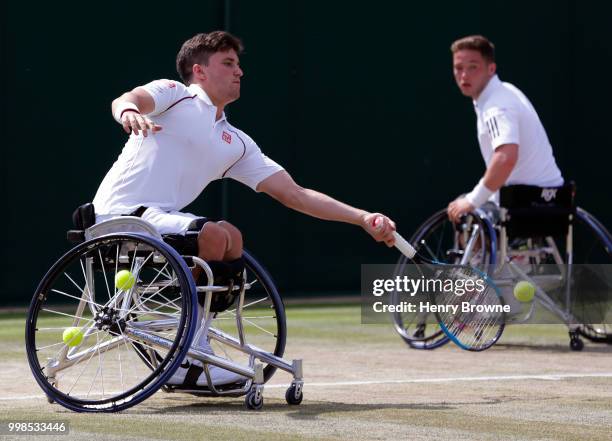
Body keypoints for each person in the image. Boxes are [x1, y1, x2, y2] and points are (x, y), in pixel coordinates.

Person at [92, 31, 396, 387]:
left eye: (238, 64)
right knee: (212, 233)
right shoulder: (174, 95)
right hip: (116, 215)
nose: (239, 71)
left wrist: (361, 218)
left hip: (160, 221)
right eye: (228, 63)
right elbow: (126, 99)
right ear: (199, 71)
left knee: (231, 238)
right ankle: (186, 355)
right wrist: (129, 111)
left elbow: (295, 194)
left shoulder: (235, 142)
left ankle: (190, 340)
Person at [446, 35, 563, 223]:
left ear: (491, 69)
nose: (464, 75)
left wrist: (472, 200)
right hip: (555, 198)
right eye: (459, 68)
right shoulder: (505, 92)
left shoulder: (496, 105)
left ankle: (486, 253)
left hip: (524, 204)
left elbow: (505, 158)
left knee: (463, 211)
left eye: (473, 67)